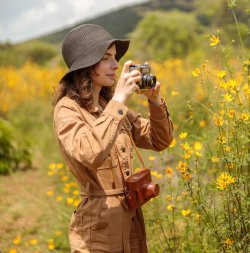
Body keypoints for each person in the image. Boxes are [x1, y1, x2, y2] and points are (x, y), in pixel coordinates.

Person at [52, 24, 173, 253]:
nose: (116, 65)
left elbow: (159, 140)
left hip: (131, 221)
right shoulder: (67, 109)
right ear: (87, 64)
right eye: (106, 58)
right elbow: (90, 153)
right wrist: (119, 99)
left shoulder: (109, 105)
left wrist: (155, 101)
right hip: (98, 230)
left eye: (115, 58)